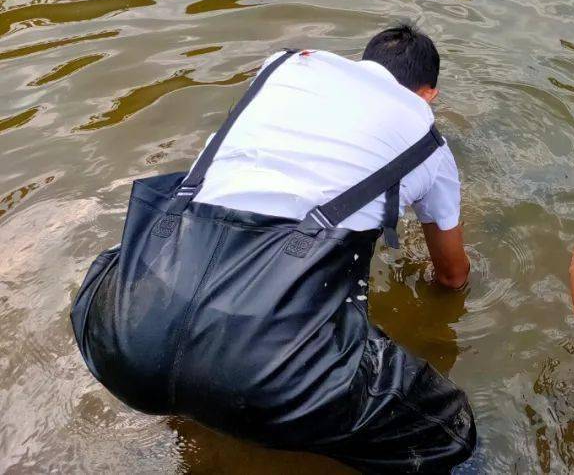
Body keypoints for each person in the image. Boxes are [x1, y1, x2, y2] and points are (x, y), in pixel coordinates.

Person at [72, 24, 476, 473]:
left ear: (362, 63)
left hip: (121, 335)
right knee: (448, 430)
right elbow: (452, 276)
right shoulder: (430, 145)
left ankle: (195, 411)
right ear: (429, 95)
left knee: (137, 275)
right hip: (266, 373)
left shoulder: (282, 69)